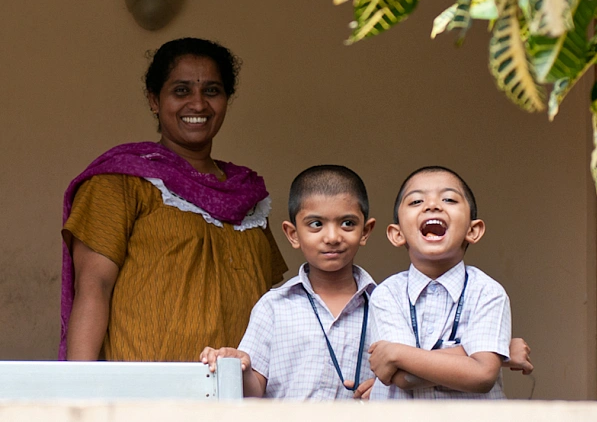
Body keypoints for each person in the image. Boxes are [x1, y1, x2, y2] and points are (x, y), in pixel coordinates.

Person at [200, 165, 532, 400]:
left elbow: (403, 368)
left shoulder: (380, 299)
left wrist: (490, 354)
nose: (332, 237)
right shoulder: (273, 307)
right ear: (292, 234)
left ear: (366, 231)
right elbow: (254, 389)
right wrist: (235, 367)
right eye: (315, 224)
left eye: (347, 223)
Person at [59, 37, 287, 361]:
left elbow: (268, 300)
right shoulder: (121, 182)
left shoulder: (246, 194)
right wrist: (80, 395)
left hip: (239, 393)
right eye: (181, 90)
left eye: (212, 90)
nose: (198, 104)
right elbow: (94, 288)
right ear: (154, 99)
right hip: (147, 395)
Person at [368, 165, 521, 400]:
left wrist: (397, 353)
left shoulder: (488, 293)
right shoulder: (387, 294)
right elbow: (402, 377)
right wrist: (485, 355)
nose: (432, 205)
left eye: (449, 199)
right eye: (416, 201)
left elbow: (482, 376)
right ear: (397, 234)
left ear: (474, 230)